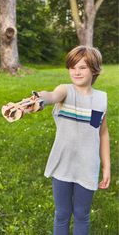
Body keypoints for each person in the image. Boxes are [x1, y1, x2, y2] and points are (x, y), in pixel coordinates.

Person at [36, 46, 110, 235]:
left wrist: (106, 167)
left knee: (81, 214)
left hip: (87, 166)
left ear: (94, 69)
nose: (76, 71)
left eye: (82, 67)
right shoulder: (65, 91)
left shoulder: (101, 99)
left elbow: (102, 132)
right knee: (62, 214)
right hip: (63, 165)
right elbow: (50, 96)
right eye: (72, 67)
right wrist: (39, 100)